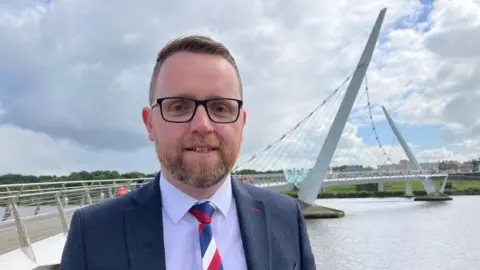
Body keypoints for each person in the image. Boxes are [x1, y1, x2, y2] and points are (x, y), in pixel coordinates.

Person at [60, 35, 316, 270]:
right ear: (150, 123)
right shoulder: (93, 233)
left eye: (220, 108)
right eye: (179, 107)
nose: (202, 125)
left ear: (242, 123)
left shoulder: (286, 218)